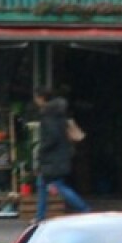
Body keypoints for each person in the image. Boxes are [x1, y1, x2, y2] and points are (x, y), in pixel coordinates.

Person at [33, 87, 90, 222]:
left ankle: (83, 208)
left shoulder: (48, 115)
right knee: (42, 183)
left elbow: (52, 137)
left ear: (41, 98)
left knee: (58, 185)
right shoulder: (59, 113)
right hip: (60, 155)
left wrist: (42, 150)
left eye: (36, 98)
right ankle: (39, 216)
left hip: (52, 157)